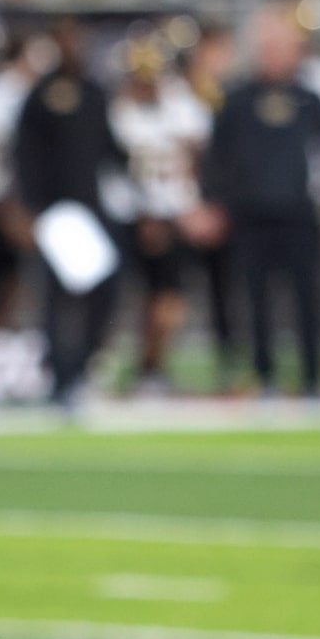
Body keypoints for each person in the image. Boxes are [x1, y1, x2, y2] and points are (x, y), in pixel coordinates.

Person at [203, 4, 320, 397]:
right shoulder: (235, 101)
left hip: (299, 212)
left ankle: (313, 376)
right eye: (268, 46)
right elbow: (215, 157)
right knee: (256, 302)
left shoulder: (310, 100)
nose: (275, 55)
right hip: (251, 214)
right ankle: (264, 376)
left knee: (308, 299)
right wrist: (214, 203)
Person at [9, 25, 120, 404]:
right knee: (57, 297)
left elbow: (110, 147)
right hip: (54, 210)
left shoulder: (95, 92)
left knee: (103, 289)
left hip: (90, 207)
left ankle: (83, 365)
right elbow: (22, 154)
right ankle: (60, 376)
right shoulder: (39, 95)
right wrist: (27, 208)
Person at [107, 32, 212, 395]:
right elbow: (117, 170)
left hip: (173, 214)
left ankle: (151, 367)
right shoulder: (119, 112)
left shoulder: (181, 104)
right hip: (132, 216)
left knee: (170, 299)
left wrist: (192, 203)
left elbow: (198, 153)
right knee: (128, 298)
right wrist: (144, 213)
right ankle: (123, 366)